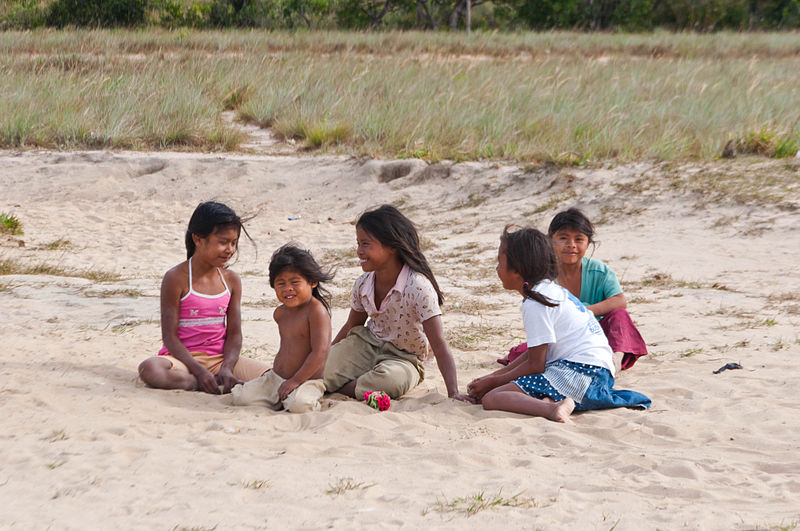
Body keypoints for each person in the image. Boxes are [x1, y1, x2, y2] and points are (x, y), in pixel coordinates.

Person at [467, 226, 651, 423]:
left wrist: (494, 382)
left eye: (499, 262)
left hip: (582, 372)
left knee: (493, 397)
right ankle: (550, 401)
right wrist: (493, 377)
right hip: (597, 371)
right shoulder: (547, 291)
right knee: (501, 389)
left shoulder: (536, 302)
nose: (497, 269)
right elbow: (533, 353)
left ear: (518, 269)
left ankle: (552, 408)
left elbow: (535, 364)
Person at [323, 205, 470, 406]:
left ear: (392, 246)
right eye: (358, 243)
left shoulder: (418, 287)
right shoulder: (363, 283)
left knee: (390, 381)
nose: (359, 251)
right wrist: (326, 356)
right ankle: (350, 384)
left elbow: (439, 342)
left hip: (405, 359)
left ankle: (340, 386)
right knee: (322, 368)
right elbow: (351, 326)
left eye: (365, 244)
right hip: (365, 345)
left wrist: (453, 392)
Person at [138, 201, 269, 394]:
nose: (230, 249)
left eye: (234, 243)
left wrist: (227, 366)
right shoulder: (175, 278)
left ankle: (218, 379)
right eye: (223, 242)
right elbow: (169, 337)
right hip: (182, 360)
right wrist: (199, 371)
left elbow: (234, 334)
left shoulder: (231, 280)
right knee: (150, 369)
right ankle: (201, 383)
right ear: (198, 240)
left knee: (271, 375)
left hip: (220, 360)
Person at [499, 208, 647, 372]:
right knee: (522, 353)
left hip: (598, 334)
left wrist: (585, 311)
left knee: (620, 316)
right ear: (549, 241)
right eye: (563, 238)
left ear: (588, 244)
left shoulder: (599, 270)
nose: (571, 245)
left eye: (579, 239)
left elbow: (620, 300)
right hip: (563, 337)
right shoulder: (545, 274)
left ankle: (616, 362)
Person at [231, 245, 332, 413]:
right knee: (242, 398)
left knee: (299, 406)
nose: (287, 289)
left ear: (312, 282)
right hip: (275, 377)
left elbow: (320, 352)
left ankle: (306, 399)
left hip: (306, 380)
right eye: (281, 283)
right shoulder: (280, 313)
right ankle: (277, 398)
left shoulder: (316, 312)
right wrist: (278, 378)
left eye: (294, 282)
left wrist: (295, 380)